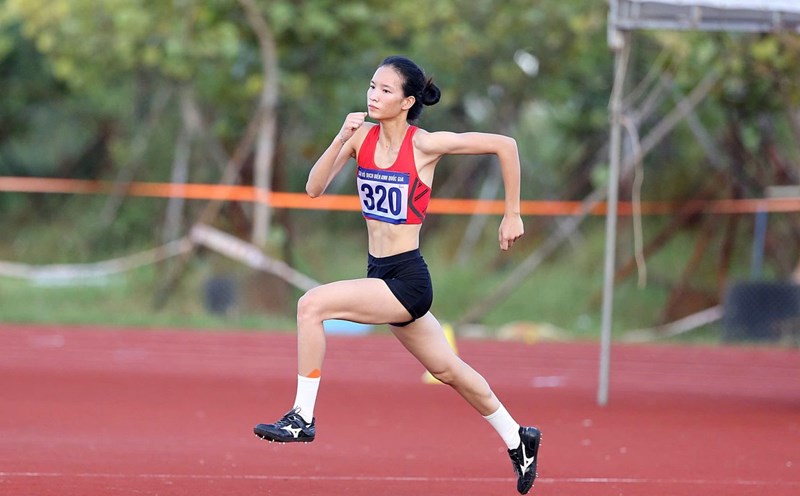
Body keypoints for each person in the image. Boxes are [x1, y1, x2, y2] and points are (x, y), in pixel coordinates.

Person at [254, 55, 541, 495]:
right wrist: (341, 136)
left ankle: (302, 417)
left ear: (407, 102)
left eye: (385, 90)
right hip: (379, 272)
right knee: (448, 370)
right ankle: (518, 438)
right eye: (372, 86)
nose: (374, 95)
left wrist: (512, 213)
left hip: (407, 280)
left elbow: (506, 145)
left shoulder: (425, 145)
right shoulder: (360, 138)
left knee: (311, 305)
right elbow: (313, 188)